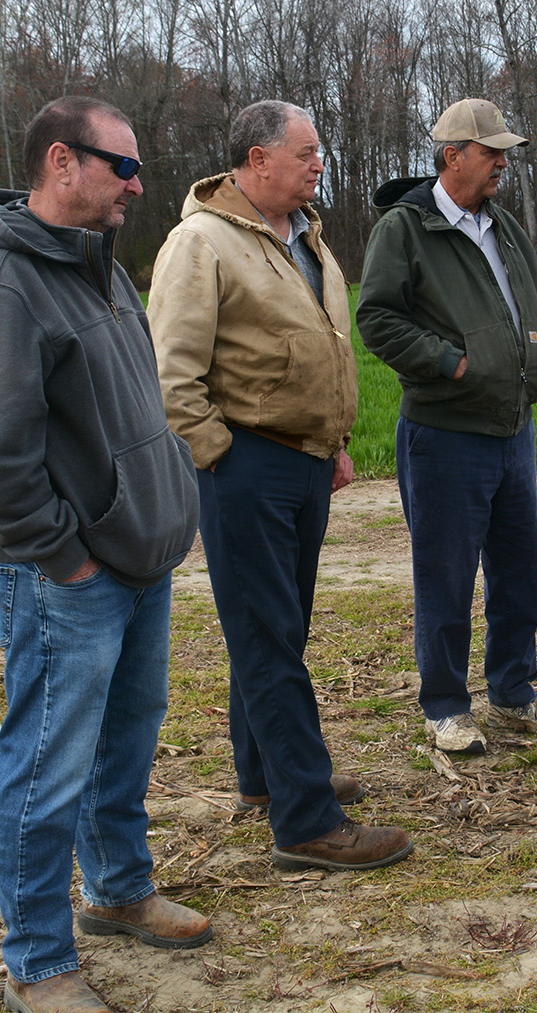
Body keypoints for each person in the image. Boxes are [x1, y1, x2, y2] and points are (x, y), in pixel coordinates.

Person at [0, 95, 209, 1013]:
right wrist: (65, 558)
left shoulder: (99, 264)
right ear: (64, 162)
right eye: (122, 166)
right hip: (69, 577)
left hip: (140, 561)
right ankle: (38, 963)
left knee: (124, 745)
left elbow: (136, 408)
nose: (138, 183)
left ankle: (119, 891)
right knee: (48, 766)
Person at [148, 100, 413, 872]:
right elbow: (171, 372)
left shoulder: (307, 238)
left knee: (278, 630)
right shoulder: (200, 242)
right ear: (256, 160)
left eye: (318, 152)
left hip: (302, 461)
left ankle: (265, 777)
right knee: (268, 640)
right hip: (246, 466)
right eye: (305, 152)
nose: (318, 163)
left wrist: (330, 442)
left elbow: (320, 347)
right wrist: (220, 455)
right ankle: (306, 819)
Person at [357, 98, 537, 756]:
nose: (503, 163)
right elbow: (379, 319)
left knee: (520, 568)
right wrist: (451, 365)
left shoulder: (502, 224)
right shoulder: (404, 229)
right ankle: (446, 704)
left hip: (513, 428)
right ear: (453, 156)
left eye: (505, 152)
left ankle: (513, 690)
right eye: (491, 152)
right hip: (445, 434)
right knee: (445, 574)